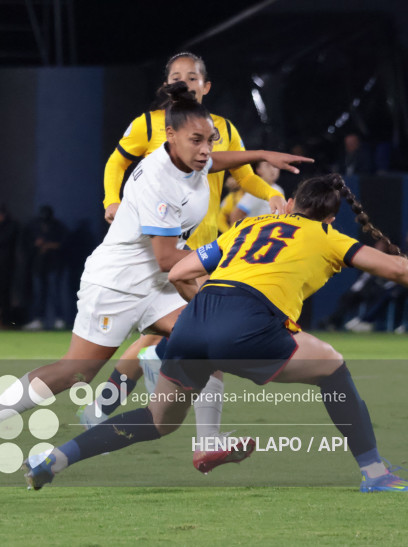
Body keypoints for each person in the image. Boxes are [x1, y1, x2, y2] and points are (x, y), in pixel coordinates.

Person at [24, 173, 408, 493]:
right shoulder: (327, 237)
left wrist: (206, 319)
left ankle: (56, 457)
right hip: (248, 323)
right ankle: (375, 474)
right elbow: (398, 268)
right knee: (332, 366)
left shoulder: (248, 226)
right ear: (329, 217)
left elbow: (180, 269)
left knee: (157, 421)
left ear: (290, 201)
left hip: (197, 320)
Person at [0, 82, 312, 466]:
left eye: (210, 139)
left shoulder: (189, 157)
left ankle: (206, 443)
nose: (206, 150)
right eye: (197, 140)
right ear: (170, 136)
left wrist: (259, 153)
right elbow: (166, 257)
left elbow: (218, 161)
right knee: (76, 373)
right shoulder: (158, 181)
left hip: (156, 284)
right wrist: (231, 257)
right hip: (117, 284)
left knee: (207, 341)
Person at [85, 52, 288, 464]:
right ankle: (113, 408)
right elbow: (116, 161)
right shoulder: (150, 124)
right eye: (178, 76)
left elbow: (243, 174)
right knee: (179, 337)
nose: (187, 82)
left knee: (170, 338)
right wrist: (111, 199)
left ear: (206, 86)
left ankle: (104, 407)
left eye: (193, 77)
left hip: (208, 242)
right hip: (165, 247)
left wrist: (273, 194)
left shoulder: (222, 129)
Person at [22, 205, 68, 331]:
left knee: (55, 293)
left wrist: (48, 245)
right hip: (38, 265)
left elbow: (63, 244)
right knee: (38, 293)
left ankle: (59, 319)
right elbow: (26, 244)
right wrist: (36, 245)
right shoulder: (33, 226)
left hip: (53, 265)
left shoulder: (58, 226)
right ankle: (37, 319)